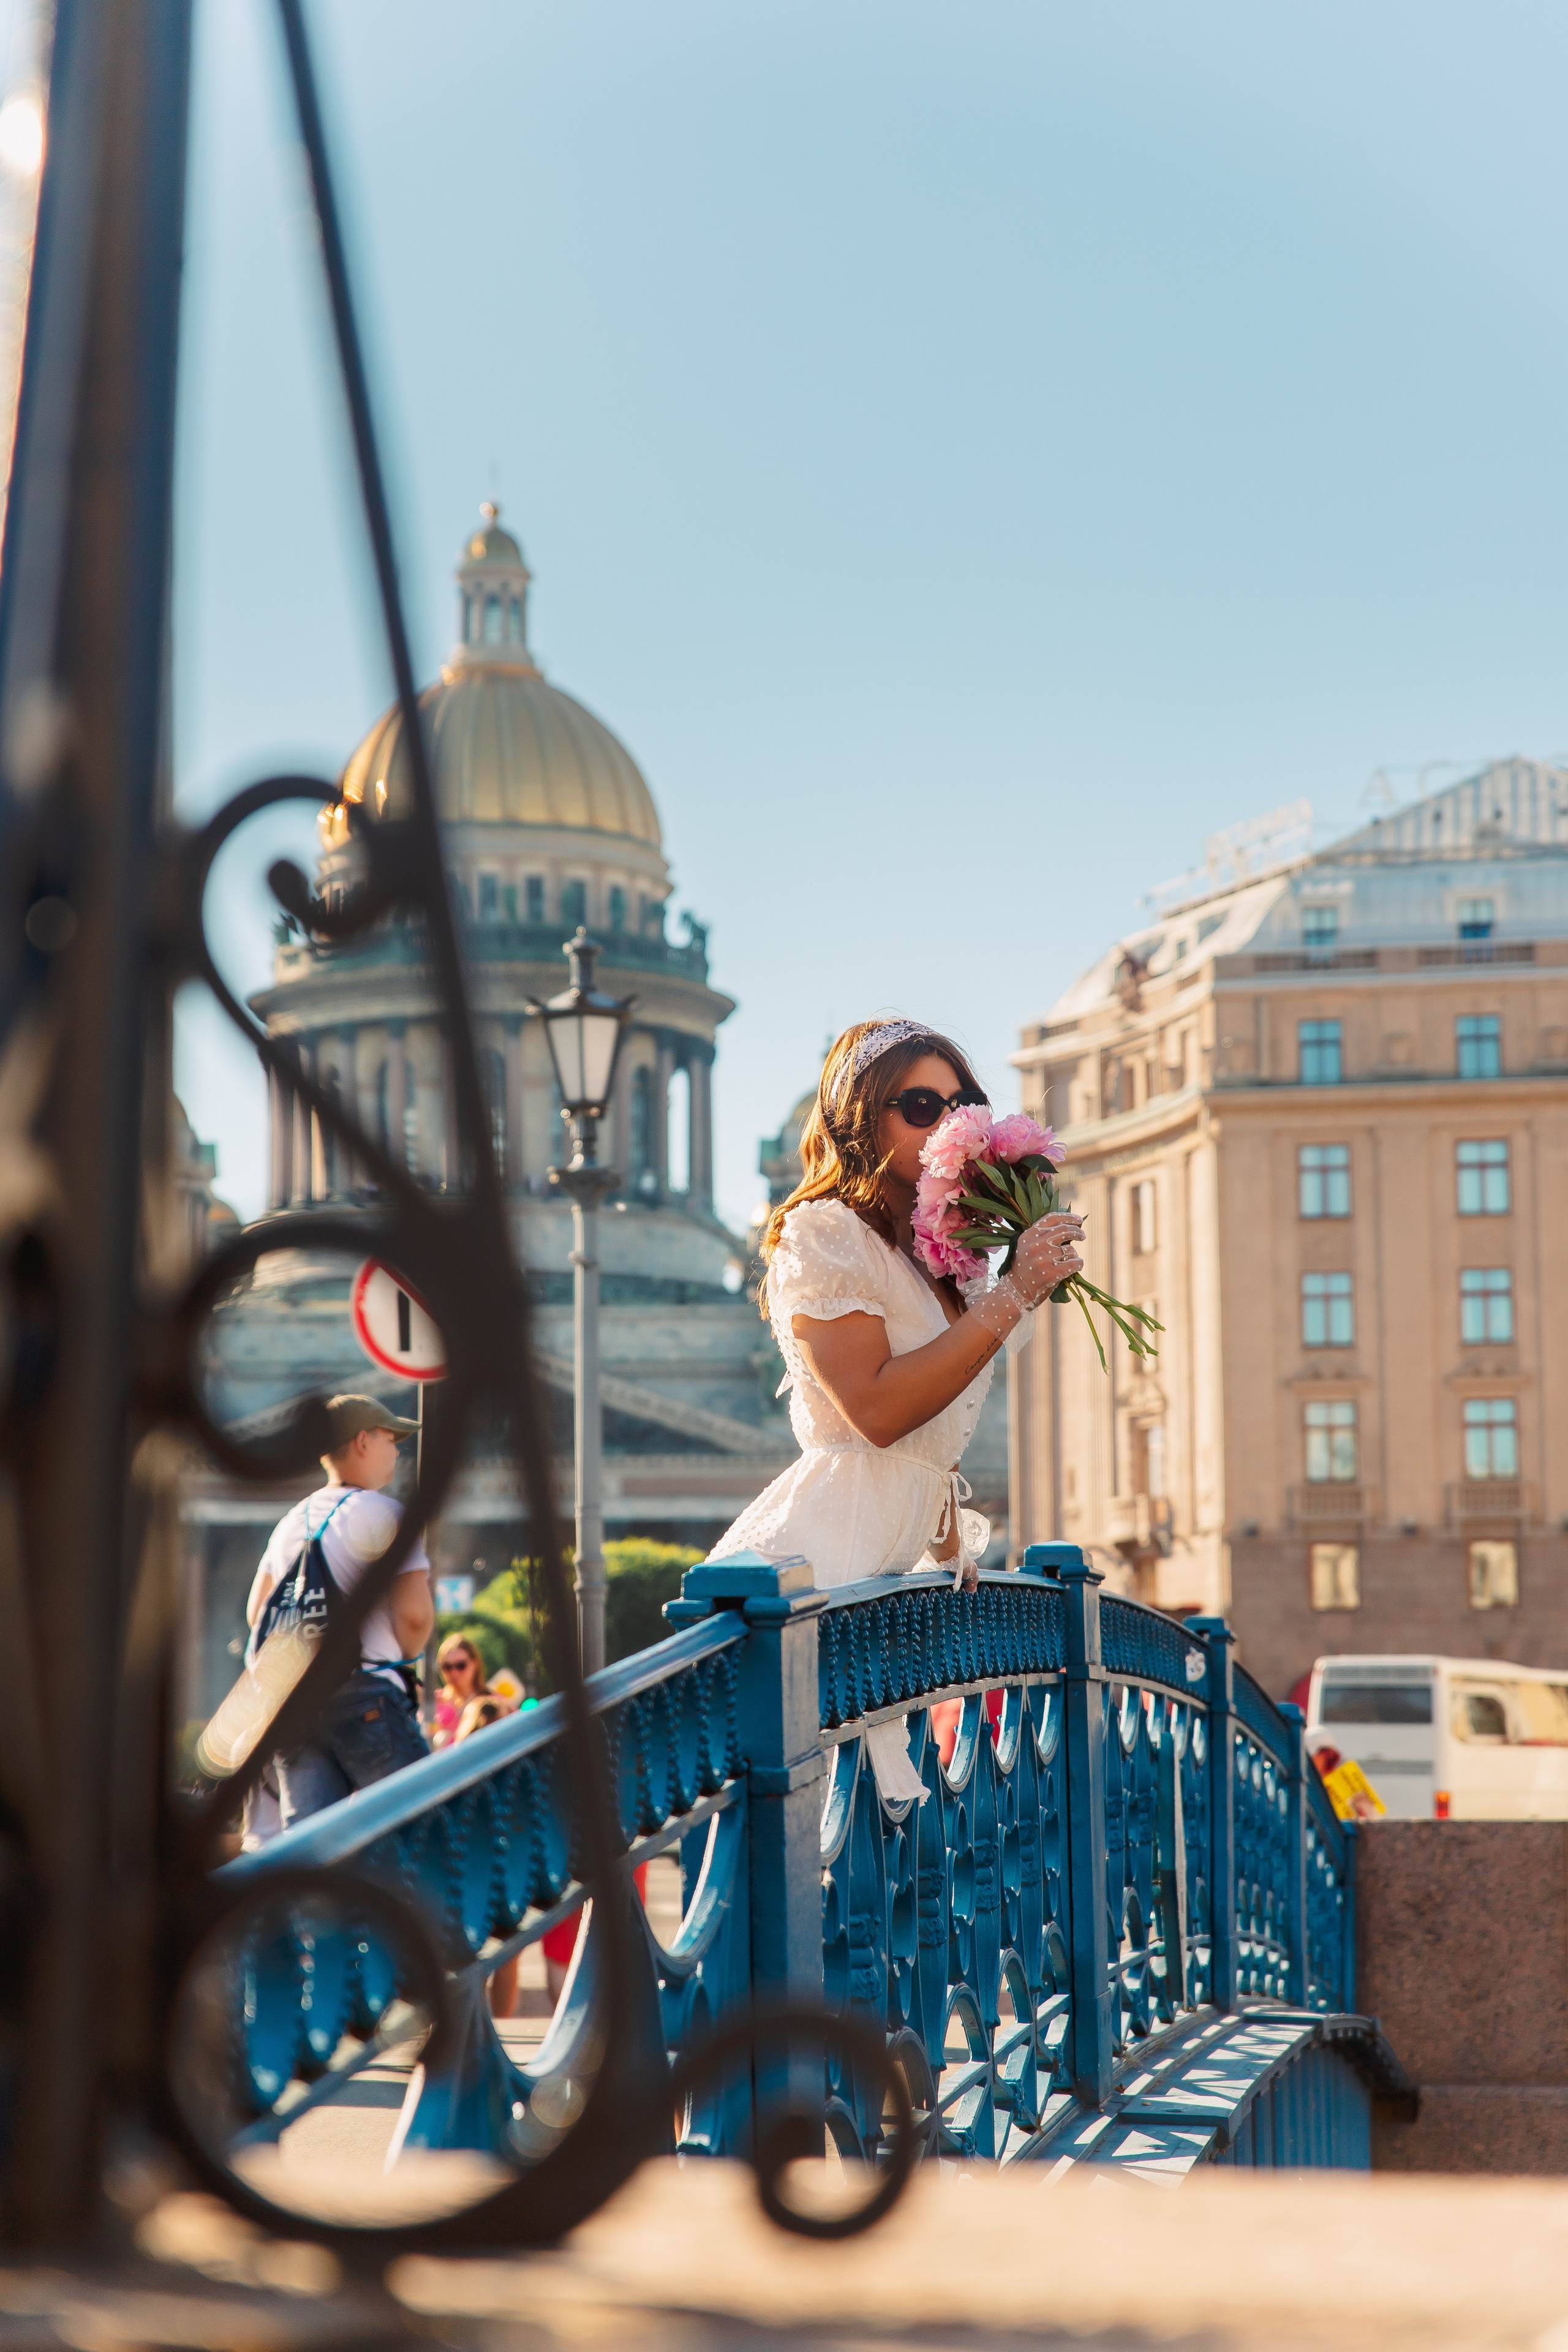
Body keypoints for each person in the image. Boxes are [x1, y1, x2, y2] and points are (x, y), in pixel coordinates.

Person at [705, 1018, 1084, 1802]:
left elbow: (927, 1449)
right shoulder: (824, 1235)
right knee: (818, 1844)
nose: (949, 1124)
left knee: (877, 1864)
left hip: (887, 1597)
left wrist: (949, 1557)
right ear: (861, 1117)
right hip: (823, 1579)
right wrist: (1014, 1295)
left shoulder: (939, 1261)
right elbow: (877, 1413)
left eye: (962, 1105)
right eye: (920, 1105)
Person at [245, 1393, 435, 1831]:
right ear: (364, 1441)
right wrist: (404, 1655)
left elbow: (259, 1612)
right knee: (424, 1832)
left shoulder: (292, 1521)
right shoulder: (384, 1513)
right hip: (368, 1696)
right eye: (392, 1439)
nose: (398, 1450)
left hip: (295, 1707)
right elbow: (415, 1616)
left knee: (313, 1850)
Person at [430, 1632, 489, 1749]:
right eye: (447, 1667)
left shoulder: (493, 1702)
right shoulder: (433, 1702)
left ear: (475, 1663)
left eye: (461, 1666)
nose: (454, 1673)